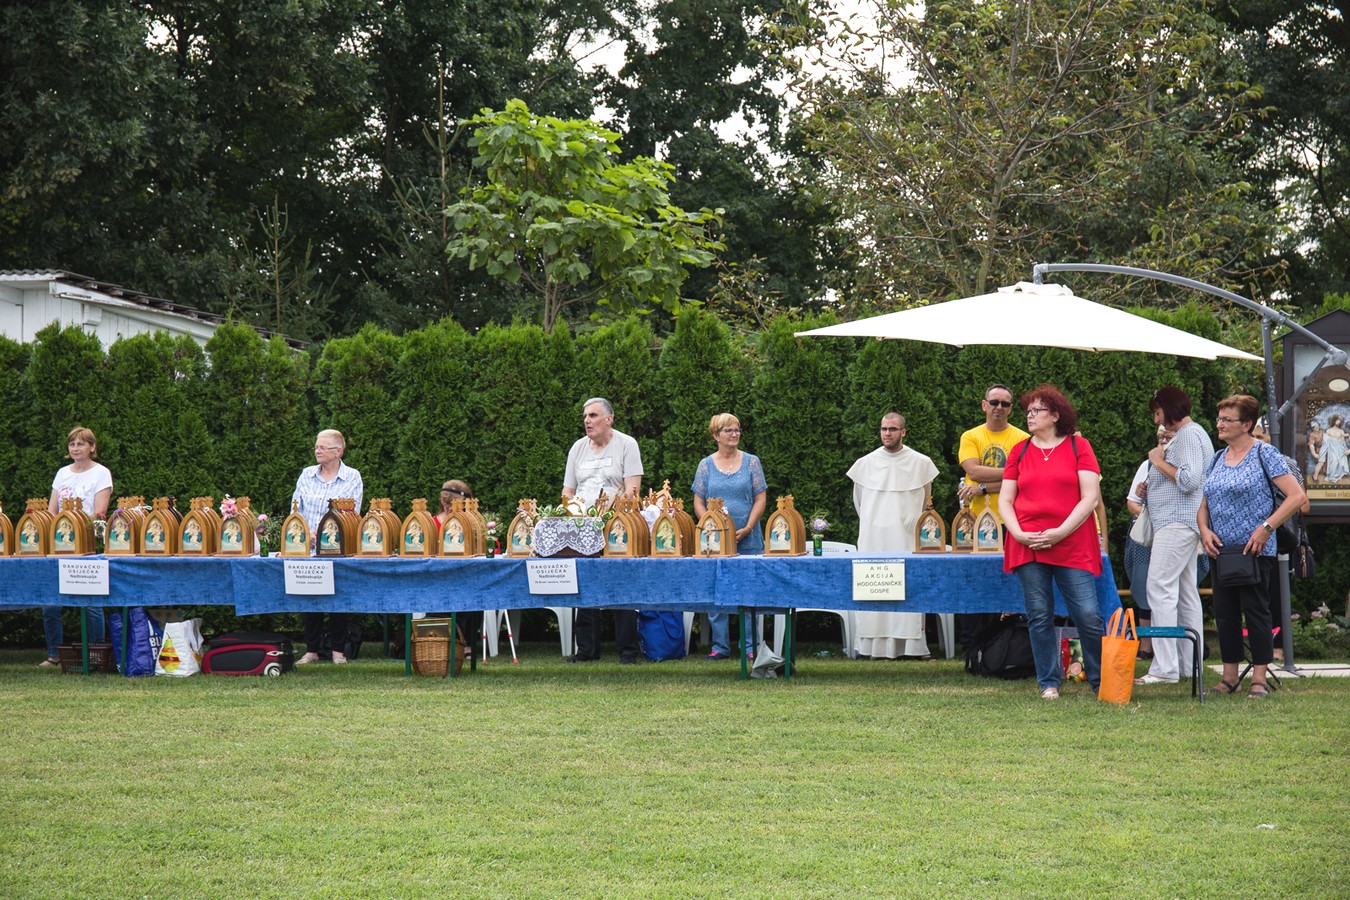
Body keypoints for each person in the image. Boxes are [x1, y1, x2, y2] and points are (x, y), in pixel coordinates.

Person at [998, 385, 1105, 699]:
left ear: (1056, 415)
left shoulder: (1078, 446)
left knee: (1087, 613)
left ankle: (1101, 681)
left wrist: (1060, 532)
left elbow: (1090, 497)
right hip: (1027, 541)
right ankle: (1048, 682)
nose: (1030, 416)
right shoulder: (1019, 450)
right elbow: (1006, 500)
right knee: (1039, 614)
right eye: (1028, 411)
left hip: (1072, 541)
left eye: (1038, 410)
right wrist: (1016, 533)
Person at [1199, 396, 1306, 698]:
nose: (1219, 423)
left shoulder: (1265, 453)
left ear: (1246, 424)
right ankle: (1229, 677)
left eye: (1227, 419)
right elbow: (1204, 501)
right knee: (1224, 613)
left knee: (1257, 612)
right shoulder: (1218, 457)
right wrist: (1204, 530)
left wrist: (1266, 528)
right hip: (1221, 550)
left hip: (1255, 549)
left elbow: (1296, 497)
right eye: (1219, 418)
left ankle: (1259, 678)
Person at [1136, 386, 1213, 686]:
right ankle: (1188, 666)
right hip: (1183, 521)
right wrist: (1150, 486)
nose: (1157, 419)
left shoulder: (1190, 435)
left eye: (1158, 412)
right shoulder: (1190, 435)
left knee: (1159, 587)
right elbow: (1181, 477)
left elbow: (1190, 480)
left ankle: (1164, 668)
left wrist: (1157, 462)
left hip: (1177, 523)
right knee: (1184, 594)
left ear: (1168, 408)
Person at [847, 412, 940, 659]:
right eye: (884, 429)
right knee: (873, 589)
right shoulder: (865, 464)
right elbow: (860, 502)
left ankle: (912, 648)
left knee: (907, 589)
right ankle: (870, 647)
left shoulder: (920, 463)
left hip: (906, 538)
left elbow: (925, 502)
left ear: (903, 432)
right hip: (873, 539)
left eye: (893, 429)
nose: (887, 433)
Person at [563, 397, 643, 663]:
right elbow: (568, 491)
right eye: (586, 416)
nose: (588, 420)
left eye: (594, 415)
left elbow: (632, 490)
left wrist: (609, 514)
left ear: (609, 419)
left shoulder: (627, 444)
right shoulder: (577, 448)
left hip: (615, 524)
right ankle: (587, 650)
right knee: (584, 583)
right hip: (581, 525)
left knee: (621, 582)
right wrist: (574, 513)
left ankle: (628, 650)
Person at [955, 384, 1029, 649]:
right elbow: (973, 471)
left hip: (1012, 521)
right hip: (973, 522)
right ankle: (970, 646)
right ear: (984, 404)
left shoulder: (1022, 437)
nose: (999, 407)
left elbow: (1025, 479)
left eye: (1005, 404)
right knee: (973, 583)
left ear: (1011, 409)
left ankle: (1007, 643)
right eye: (994, 402)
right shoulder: (970, 436)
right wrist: (1013, 471)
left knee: (1013, 582)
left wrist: (986, 486)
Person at [691, 413, 767, 660]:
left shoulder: (751, 462)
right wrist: (710, 528)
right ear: (716, 436)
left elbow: (761, 498)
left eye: (737, 430)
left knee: (749, 594)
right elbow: (698, 502)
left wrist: (747, 527)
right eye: (729, 431)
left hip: (749, 538)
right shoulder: (706, 465)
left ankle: (750, 649)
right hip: (715, 542)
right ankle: (720, 647)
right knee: (718, 594)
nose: (734, 434)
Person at [40, 426, 112, 667]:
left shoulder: (101, 473)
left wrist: (72, 523)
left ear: (92, 447)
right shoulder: (62, 474)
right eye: (72, 444)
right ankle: (54, 655)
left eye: (81, 444)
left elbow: (100, 513)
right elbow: (52, 511)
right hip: (59, 546)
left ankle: (95, 654)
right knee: (50, 603)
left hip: (87, 545)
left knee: (90, 603)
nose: (76, 448)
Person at [292, 429, 364, 665]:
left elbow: (353, 513)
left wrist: (327, 534)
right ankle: (311, 651)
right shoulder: (306, 475)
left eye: (322, 447)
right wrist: (304, 531)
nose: (317, 450)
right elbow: (295, 509)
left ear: (338, 451)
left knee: (337, 600)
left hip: (337, 549)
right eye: (316, 446)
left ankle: (338, 651)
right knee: (310, 599)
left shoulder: (352, 477)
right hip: (308, 549)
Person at [1251, 415, 1310, 663]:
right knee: (1255, 594)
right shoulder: (1240, 461)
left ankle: (1278, 646)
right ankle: (1258, 646)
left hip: (1277, 536)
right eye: (1252, 436)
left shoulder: (1283, 462)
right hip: (1249, 536)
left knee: (1275, 591)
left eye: (1260, 436)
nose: (1255, 442)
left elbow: (1303, 503)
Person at [1124, 425, 1174, 660]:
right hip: (1148, 540)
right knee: (1144, 583)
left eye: (1169, 437)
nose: (1163, 441)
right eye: (1160, 437)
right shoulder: (1147, 465)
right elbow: (1132, 502)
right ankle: (1146, 645)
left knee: (1178, 589)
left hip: (1177, 535)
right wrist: (1144, 509)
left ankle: (1177, 645)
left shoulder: (1187, 464)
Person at [1322, 414, 1349, 482]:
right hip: (1332, 448)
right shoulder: (1329, 430)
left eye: (1339, 421)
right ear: (1334, 421)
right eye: (1337, 420)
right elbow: (1325, 440)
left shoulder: (1341, 431)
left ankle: (1336, 475)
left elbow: (1343, 441)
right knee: (1334, 461)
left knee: (1340, 461)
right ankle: (1331, 476)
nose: (1338, 422)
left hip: (1339, 448)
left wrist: (1345, 449)